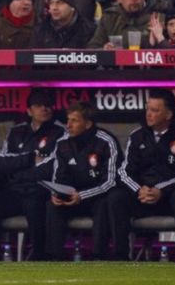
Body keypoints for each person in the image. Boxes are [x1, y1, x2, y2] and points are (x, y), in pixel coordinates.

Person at [107, 88, 175, 261]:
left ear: (168, 114)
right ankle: (120, 257)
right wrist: (139, 190)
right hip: (143, 197)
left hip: (171, 198)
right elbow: (124, 172)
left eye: (155, 110)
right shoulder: (137, 135)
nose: (149, 114)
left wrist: (161, 190)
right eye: (148, 109)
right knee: (116, 197)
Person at [0, 89, 66, 261]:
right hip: (15, 190)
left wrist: (19, 171)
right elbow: (1, 163)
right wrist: (29, 159)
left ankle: (39, 257)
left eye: (48, 105)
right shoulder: (16, 132)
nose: (44, 109)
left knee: (35, 203)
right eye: (39, 105)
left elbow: (52, 166)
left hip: (40, 190)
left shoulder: (61, 131)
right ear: (29, 111)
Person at [46, 101, 122, 260]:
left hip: (96, 196)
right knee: (52, 204)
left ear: (87, 124)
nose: (68, 125)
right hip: (71, 196)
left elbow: (110, 181)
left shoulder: (106, 141)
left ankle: (98, 256)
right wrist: (56, 193)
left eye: (74, 121)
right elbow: (58, 175)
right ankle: (54, 258)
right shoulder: (62, 143)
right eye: (68, 120)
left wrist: (82, 195)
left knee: (105, 202)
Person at [87, 0, 169, 49]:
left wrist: (157, 43)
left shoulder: (158, 15)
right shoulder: (110, 17)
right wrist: (105, 50)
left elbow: (174, 53)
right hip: (117, 65)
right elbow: (92, 49)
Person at [30, 0, 95, 48]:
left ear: (72, 7)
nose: (54, 8)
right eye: (51, 3)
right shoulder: (41, 30)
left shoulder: (88, 30)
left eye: (59, 3)